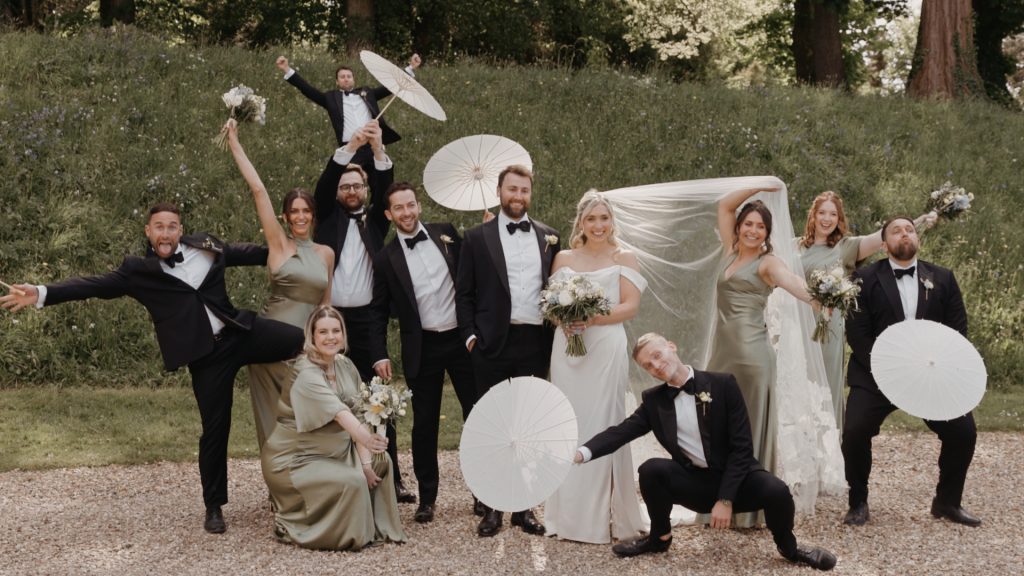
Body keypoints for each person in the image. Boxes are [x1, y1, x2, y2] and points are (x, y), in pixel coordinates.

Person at [0, 203, 304, 534]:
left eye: (171, 226)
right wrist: (42, 293)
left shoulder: (206, 246)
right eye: (158, 227)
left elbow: (250, 253)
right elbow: (92, 286)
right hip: (206, 357)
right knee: (215, 429)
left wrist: (292, 249)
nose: (165, 233)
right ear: (148, 232)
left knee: (302, 342)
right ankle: (214, 506)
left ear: (180, 230)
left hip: (240, 333)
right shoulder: (137, 272)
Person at [576, 332, 836, 571]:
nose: (655, 366)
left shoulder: (723, 384)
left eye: (657, 355)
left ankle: (789, 548)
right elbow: (620, 432)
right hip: (696, 483)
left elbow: (742, 447)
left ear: (671, 347)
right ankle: (659, 538)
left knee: (777, 491)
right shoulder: (654, 401)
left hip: (738, 479)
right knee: (651, 470)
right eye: (647, 365)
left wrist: (725, 499)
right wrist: (581, 453)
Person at [842, 216, 979, 527]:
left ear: (917, 238)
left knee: (964, 432)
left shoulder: (943, 278)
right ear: (885, 242)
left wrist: (940, 367)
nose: (905, 234)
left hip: (931, 375)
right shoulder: (863, 279)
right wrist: (886, 369)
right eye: (896, 230)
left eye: (909, 229)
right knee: (854, 431)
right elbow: (858, 334)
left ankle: (947, 502)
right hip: (877, 373)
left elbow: (957, 332)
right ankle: (858, 501)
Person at [455, 164, 561, 537]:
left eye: (524, 191)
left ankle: (523, 508)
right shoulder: (476, 237)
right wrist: (470, 338)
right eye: (512, 190)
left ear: (531, 194)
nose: (518, 196)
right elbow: (464, 294)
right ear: (499, 192)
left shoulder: (549, 236)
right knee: (495, 428)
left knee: (527, 429)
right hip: (490, 344)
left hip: (534, 343)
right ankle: (492, 507)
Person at [311, 120, 413, 503]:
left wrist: (378, 149)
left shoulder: (375, 221)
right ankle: (344, 476)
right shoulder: (326, 217)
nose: (351, 191)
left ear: (366, 191)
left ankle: (394, 477)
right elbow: (325, 184)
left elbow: (389, 188)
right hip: (331, 322)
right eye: (345, 187)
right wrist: (351, 146)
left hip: (369, 323)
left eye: (357, 185)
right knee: (336, 400)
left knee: (380, 401)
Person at [707, 186, 820, 527]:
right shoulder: (730, 251)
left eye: (761, 227)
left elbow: (791, 283)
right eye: (749, 224)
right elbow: (724, 204)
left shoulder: (768, 262)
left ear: (768, 235)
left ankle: (749, 510)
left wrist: (820, 298)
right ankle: (714, 500)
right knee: (716, 426)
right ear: (740, 226)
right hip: (721, 353)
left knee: (749, 429)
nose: (753, 230)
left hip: (752, 357)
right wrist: (765, 184)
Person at [368, 182, 477, 523]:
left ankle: (484, 493)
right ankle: (427, 499)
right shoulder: (386, 258)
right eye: (398, 208)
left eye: (411, 205)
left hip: (462, 341)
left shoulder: (445, 233)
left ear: (418, 205)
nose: (407, 212)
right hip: (423, 347)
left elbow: (473, 273)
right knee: (424, 424)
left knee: (476, 416)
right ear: (389, 214)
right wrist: (380, 353)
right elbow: (376, 310)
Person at [542, 191, 646, 544]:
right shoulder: (564, 257)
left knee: (605, 421)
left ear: (611, 221)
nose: (598, 225)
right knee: (567, 420)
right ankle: (565, 517)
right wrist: (565, 319)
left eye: (604, 218)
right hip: (568, 350)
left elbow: (630, 307)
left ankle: (605, 517)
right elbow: (552, 306)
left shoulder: (625, 257)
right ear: (581, 223)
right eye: (591, 219)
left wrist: (590, 317)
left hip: (605, 347)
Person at [224, 119, 334, 449]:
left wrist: (329, 348)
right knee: (276, 417)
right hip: (270, 343)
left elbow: (326, 307)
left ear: (313, 215)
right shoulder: (278, 245)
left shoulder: (326, 253)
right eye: (293, 211)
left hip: (307, 347)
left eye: (306, 211)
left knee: (311, 417)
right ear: (285, 217)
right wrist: (234, 143)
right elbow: (258, 190)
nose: (300, 217)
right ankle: (281, 488)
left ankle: (311, 483)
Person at [261, 306, 406, 549]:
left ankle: (376, 528)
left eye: (336, 331)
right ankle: (337, 532)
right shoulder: (306, 372)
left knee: (383, 462)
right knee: (353, 480)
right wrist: (367, 440)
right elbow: (341, 415)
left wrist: (367, 463)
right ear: (312, 337)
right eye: (323, 332)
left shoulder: (344, 364)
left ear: (344, 334)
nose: (331, 337)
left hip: (335, 451)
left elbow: (361, 412)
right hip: (296, 459)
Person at [797, 191, 937, 429]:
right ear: (813, 215)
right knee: (795, 383)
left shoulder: (845, 247)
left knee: (824, 386)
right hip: (796, 324)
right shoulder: (794, 246)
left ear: (839, 219)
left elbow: (884, 235)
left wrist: (920, 220)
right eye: (822, 212)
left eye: (833, 214)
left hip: (826, 328)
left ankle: (828, 445)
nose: (827, 219)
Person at [275, 53, 421, 171]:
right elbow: (307, 89)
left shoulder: (368, 93)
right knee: (349, 184)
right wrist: (287, 69)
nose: (346, 79)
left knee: (380, 183)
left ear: (353, 79)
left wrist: (410, 68)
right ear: (337, 81)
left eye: (349, 76)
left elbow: (391, 86)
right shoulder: (330, 98)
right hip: (350, 148)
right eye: (342, 77)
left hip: (373, 146)